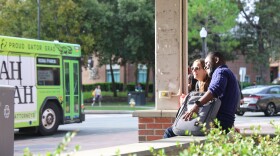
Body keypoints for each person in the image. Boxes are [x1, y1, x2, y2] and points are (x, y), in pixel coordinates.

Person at [183, 52, 240, 133]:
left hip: (218, 122)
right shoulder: (228, 73)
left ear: (216, 60)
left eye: (207, 63)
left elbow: (214, 90)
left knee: (171, 131)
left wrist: (196, 105)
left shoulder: (220, 71)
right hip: (226, 122)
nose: (206, 66)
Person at [163, 59, 211, 138]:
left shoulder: (210, 86)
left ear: (205, 70)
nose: (193, 71)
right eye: (192, 68)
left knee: (169, 132)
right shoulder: (198, 85)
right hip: (196, 118)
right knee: (172, 129)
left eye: (197, 68)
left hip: (203, 121)